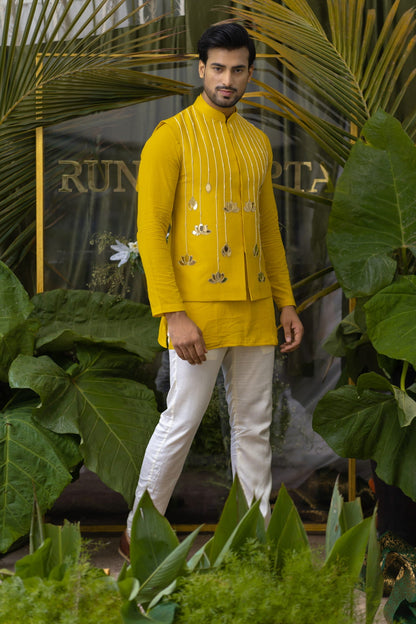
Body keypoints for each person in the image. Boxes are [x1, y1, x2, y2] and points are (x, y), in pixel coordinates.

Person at [119, 21, 303, 559]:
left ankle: (255, 543)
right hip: (196, 312)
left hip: (253, 310)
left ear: (250, 73)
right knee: (180, 421)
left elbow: (268, 230)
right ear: (200, 68)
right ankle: (139, 533)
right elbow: (150, 230)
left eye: (237, 69)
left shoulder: (255, 142)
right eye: (217, 68)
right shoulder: (170, 136)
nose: (227, 79)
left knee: (254, 429)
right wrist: (173, 313)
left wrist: (285, 302)